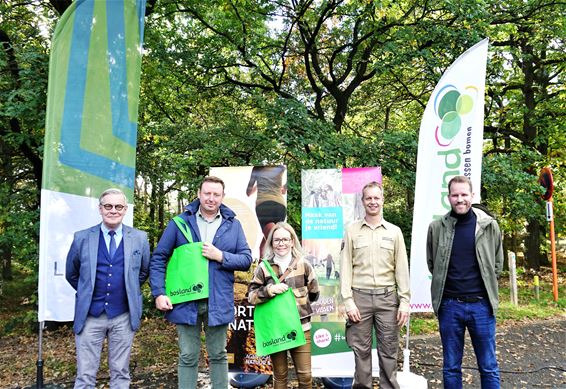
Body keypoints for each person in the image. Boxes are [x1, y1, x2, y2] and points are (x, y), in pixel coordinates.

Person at [150, 176, 252, 389]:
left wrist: (221, 256)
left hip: (219, 300)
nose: (211, 198)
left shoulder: (232, 225)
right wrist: (159, 292)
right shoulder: (180, 223)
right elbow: (159, 257)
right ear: (199, 194)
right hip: (186, 300)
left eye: (216, 194)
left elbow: (246, 259)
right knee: (187, 355)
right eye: (207, 193)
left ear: (222, 197)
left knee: (219, 354)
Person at [65, 188, 150, 389]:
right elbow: (72, 273)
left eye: (118, 206)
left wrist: (128, 291)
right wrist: (87, 293)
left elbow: (144, 271)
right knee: (85, 375)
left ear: (125, 209)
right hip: (90, 316)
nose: (113, 210)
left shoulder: (139, 238)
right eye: (108, 206)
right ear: (100, 209)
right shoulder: (82, 238)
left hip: (123, 316)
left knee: (121, 373)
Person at [427, 175, 503, 388]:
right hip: (450, 306)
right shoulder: (436, 228)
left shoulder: (489, 227)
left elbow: (497, 264)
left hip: (481, 306)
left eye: (464, 194)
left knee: (488, 365)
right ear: (448, 197)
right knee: (451, 366)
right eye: (455, 195)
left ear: (472, 196)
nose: (460, 199)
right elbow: (432, 263)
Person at [340, 181, 410, 389]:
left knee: (389, 351)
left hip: (388, 299)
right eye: (368, 198)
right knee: (360, 351)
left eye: (376, 198)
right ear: (363, 202)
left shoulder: (394, 232)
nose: (373, 201)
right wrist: (348, 300)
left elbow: (402, 269)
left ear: (382, 200)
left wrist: (404, 301)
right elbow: (345, 267)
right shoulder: (352, 231)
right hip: (359, 299)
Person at [248, 222, 319, 389]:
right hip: (275, 329)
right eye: (277, 240)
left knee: (305, 375)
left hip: (301, 327)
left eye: (285, 239)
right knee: (280, 376)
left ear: (292, 241)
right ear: (271, 242)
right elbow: (251, 296)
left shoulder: (304, 264)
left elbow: (314, 292)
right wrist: (270, 290)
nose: (281, 243)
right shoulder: (263, 268)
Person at [246, 165, 287, 256]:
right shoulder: (280, 167)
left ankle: (277, 266)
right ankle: (261, 263)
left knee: (273, 240)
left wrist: (258, 184)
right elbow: (287, 187)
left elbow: (248, 192)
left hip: (264, 205)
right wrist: (283, 188)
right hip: (280, 206)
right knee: (267, 240)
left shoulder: (257, 168)